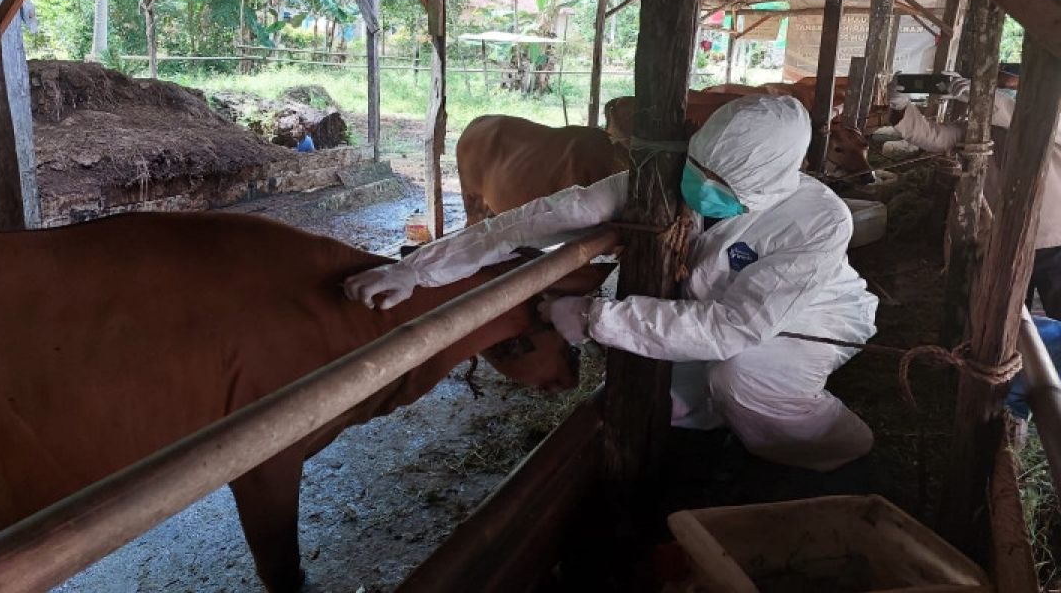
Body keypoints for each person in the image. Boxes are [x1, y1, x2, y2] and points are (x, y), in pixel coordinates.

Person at [344, 96, 878, 472]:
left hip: (807, 324)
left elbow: (734, 329)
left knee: (740, 378)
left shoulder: (817, 221)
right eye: (698, 171)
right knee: (652, 398)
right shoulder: (664, 180)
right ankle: (721, 432)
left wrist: (595, 317)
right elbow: (535, 219)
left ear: (768, 183)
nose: (699, 190)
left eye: (721, 186)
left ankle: (842, 450)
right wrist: (416, 269)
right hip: (707, 315)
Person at [888, 66, 1061, 318]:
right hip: (1004, 237)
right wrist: (900, 106)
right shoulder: (981, 128)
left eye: (1011, 88)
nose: (1006, 92)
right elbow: (934, 137)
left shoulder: (1051, 117)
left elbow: (1021, 116)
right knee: (1004, 315)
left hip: (1054, 238)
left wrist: (977, 95)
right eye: (1001, 87)